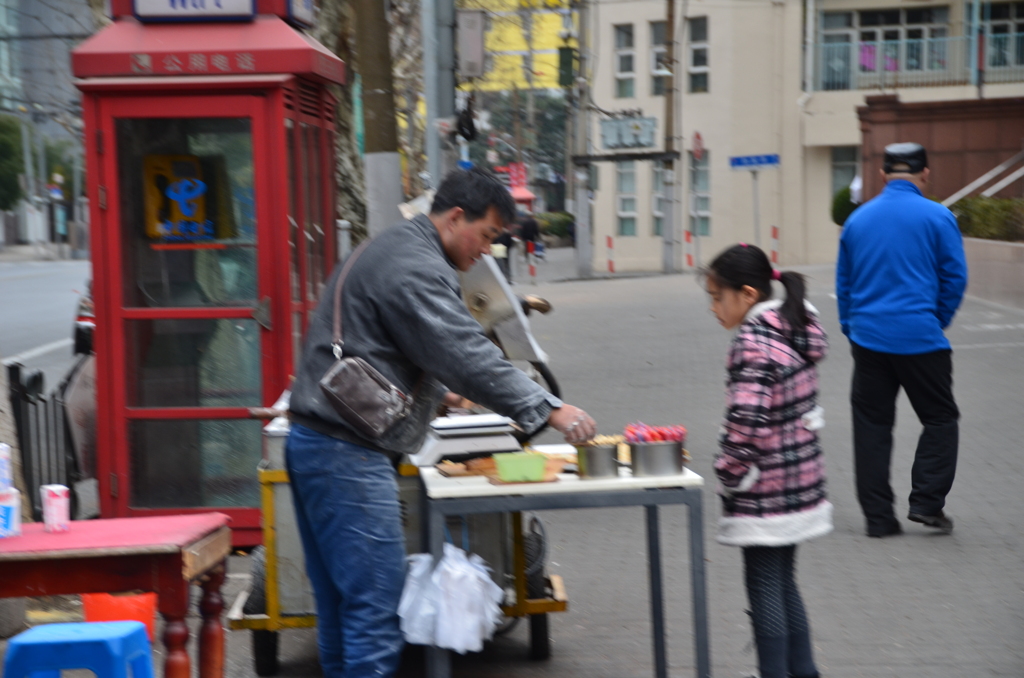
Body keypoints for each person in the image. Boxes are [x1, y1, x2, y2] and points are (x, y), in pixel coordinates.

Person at [286, 167, 597, 678]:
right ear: (456, 218)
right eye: (488, 235)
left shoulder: (393, 245)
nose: (487, 251)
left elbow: (393, 344)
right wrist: (549, 408)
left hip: (318, 442)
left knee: (343, 608)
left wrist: (440, 396)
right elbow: (465, 352)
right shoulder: (418, 265)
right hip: (346, 453)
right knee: (376, 608)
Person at [704, 243, 832, 678]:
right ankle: (804, 670)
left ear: (747, 294)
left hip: (766, 485)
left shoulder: (754, 342)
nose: (713, 307)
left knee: (763, 584)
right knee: (784, 581)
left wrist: (727, 472)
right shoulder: (792, 326)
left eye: (717, 297)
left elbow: (746, 422)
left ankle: (774, 671)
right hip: (799, 481)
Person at [836, 142, 968, 538]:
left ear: (883, 175)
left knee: (872, 425)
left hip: (869, 340)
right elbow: (955, 278)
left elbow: (845, 284)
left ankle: (879, 520)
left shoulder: (858, 220)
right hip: (921, 339)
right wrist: (935, 320)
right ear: (925, 174)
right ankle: (927, 502)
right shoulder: (938, 216)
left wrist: (852, 327)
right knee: (940, 418)